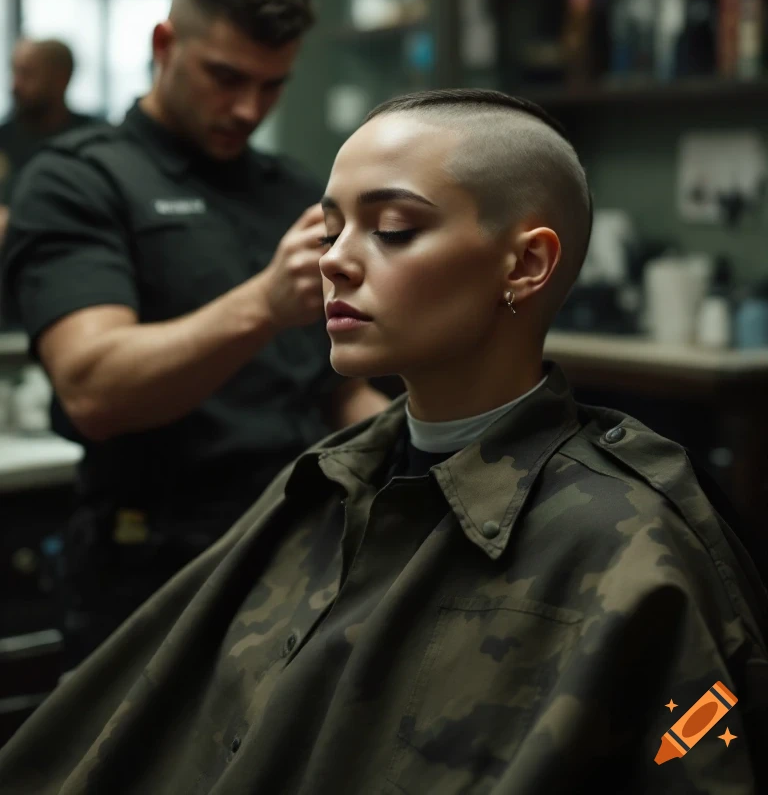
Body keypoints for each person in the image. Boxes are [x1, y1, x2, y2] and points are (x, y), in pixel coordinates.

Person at [1, 87, 767, 795]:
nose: (334, 259)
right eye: (333, 229)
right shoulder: (321, 487)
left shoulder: (626, 549)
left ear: (527, 263)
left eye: (393, 229)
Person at [0, 0, 389, 670]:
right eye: (225, 76)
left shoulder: (289, 187)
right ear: (164, 43)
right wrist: (265, 304)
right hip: (156, 571)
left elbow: (333, 397)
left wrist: (452, 442)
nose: (248, 108)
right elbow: (93, 387)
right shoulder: (77, 180)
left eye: (273, 85)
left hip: (304, 550)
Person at [0, 38, 90, 249]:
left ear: (61, 78)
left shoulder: (93, 141)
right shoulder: (3, 138)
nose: (14, 85)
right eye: (14, 72)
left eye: (27, 74)